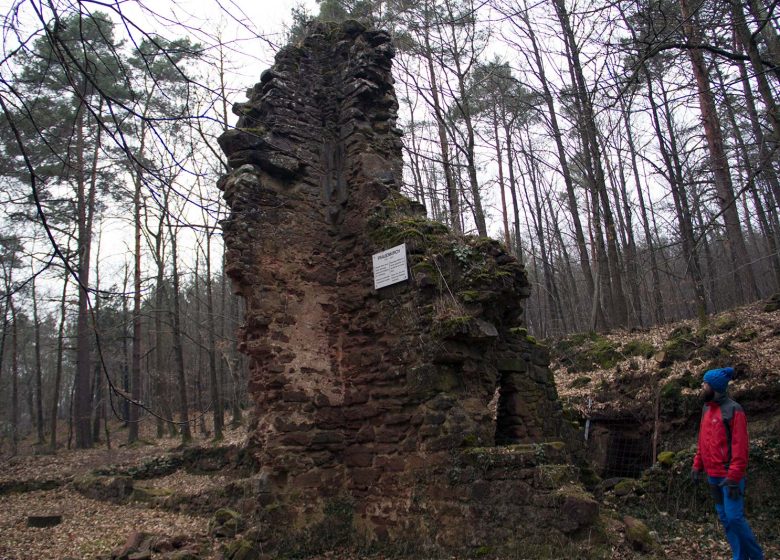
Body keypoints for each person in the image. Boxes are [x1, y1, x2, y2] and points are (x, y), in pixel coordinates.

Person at [691, 366, 764, 560]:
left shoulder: (734, 410)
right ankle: (738, 556)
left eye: (704, 384)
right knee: (725, 519)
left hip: (729, 476)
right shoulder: (706, 408)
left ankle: (756, 556)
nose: (702, 386)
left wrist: (734, 476)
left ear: (714, 387)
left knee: (734, 518)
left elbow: (741, 447)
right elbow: (702, 440)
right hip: (712, 475)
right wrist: (697, 465)